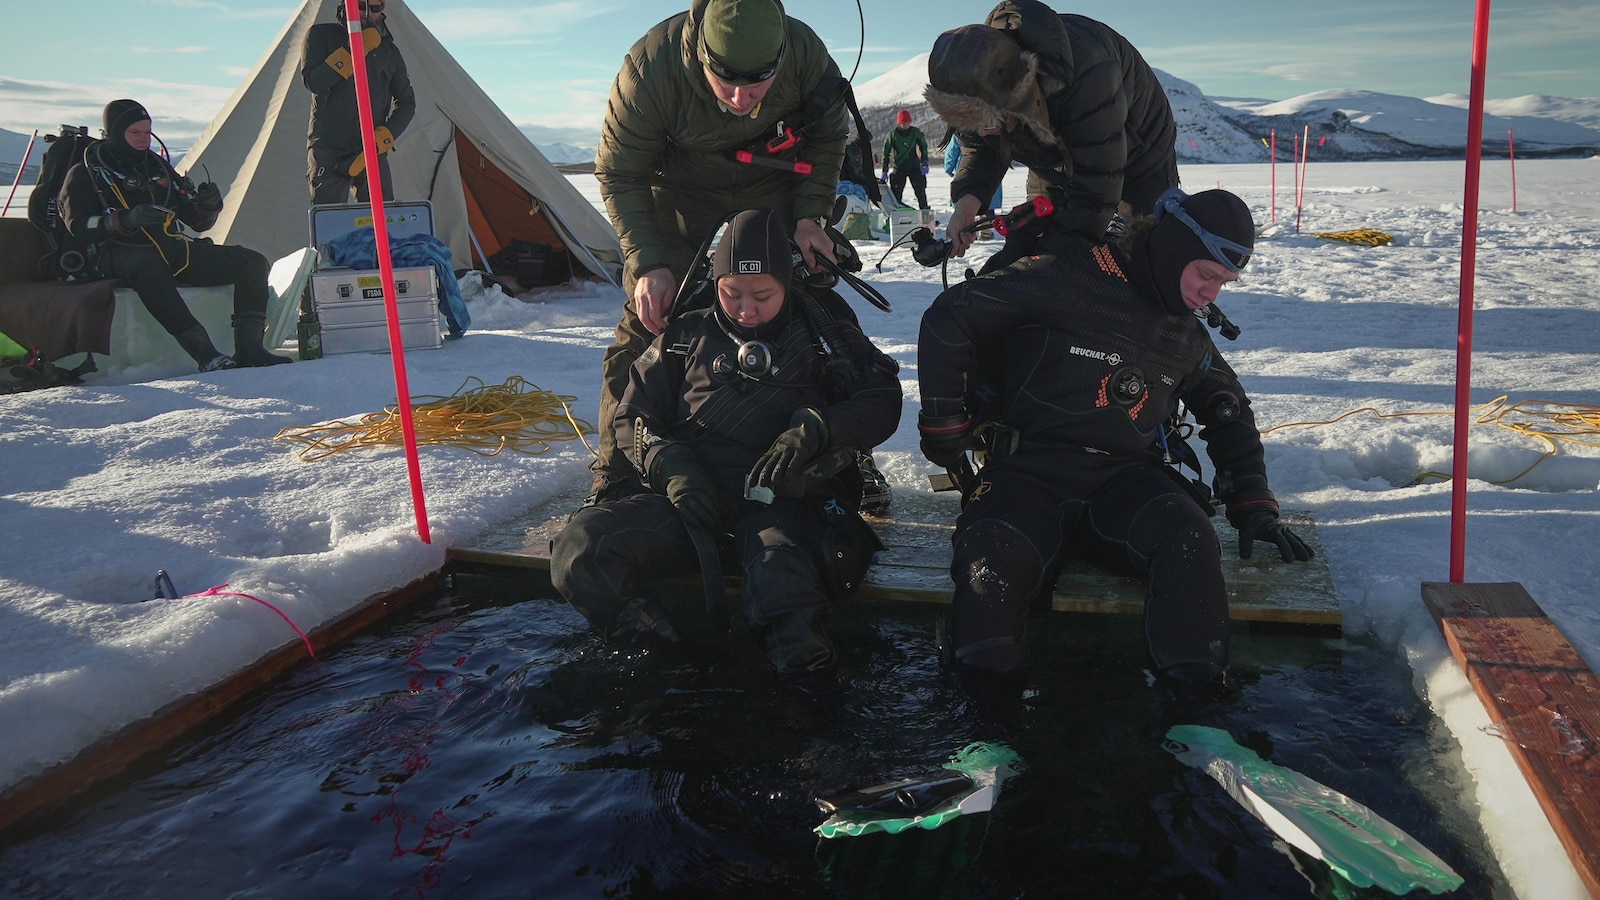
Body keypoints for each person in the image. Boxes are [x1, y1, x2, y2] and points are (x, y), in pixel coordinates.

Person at [915, 188, 1312, 690]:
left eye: (1223, 282)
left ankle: (1199, 719)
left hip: (1125, 481)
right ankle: (985, 736)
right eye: (1205, 274)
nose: (1211, 293)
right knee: (990, 562)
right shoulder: (1064, 275)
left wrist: (1253, 501)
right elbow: (949, 317)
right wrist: (943, 426)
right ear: (1172, 250)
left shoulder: (1185, 333)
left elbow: (1227, 407)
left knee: (1190, 539)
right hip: (1026, 473)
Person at [552, 208, 902, 691]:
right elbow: (632, 414)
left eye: (763, 295)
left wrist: (821, 427)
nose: (745, 309)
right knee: (580, 549)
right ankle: (664, 665)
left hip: (783, 501)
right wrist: (670, 467)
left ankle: (809, 712)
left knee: (784, 584)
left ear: (786, 283)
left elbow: (882, 397)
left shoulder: (825, 334)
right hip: (690, 499)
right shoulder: (683, 336)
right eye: (730, 293)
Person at [588, 0, 858, 508]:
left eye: (756, 84)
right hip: (680, 191)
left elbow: (827, 138)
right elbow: (620, 172)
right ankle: (618, 470)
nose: (739, 99)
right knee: (646, 324)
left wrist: (809, 218)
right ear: (699, 53)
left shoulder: (807, 56)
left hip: (773, 183)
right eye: (725, 81)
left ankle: (839, 451)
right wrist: (649, 263)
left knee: (805, 310)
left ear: (780, 61)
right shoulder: (650, 69)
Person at [924, 0, 1178, 261]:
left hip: (1138, 152)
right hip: (1047, 148)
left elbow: (1095, 187)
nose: (984, 133)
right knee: (1032, 238)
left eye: (989, 123)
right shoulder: (976, 82)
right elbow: (980, 147)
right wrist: (967, 203)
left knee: (1138, 250)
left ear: (1017, 96)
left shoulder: (1087, 74)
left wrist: (1050, 265)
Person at [58, 100, 293, 371]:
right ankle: (207, 355)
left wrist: (208, 205)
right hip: (118, 253)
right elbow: (78, 226)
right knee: (148, 266)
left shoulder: (157, 168)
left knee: (251, 262)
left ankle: (250, 349)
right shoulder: (86, 173)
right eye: (136, 132)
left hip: (171, 249)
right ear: (115, 132)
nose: (143, 139)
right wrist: (126, 219)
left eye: (147, 132)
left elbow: (196, 221)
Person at [301, 0, 415, 203]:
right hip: (329, 147)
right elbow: (315, 82)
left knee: (383, 219)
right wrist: (355, 49)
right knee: (330, 222)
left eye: (375, 8)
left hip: (371, 148)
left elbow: (407, 102)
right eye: (361, 5)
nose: (367, 13)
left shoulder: (389, 52)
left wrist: (384, 137)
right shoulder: (321, 35)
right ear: (347, 6)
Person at [880, 109, 930, 217]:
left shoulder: (915, 132)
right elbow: (886, 153)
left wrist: (924, 161)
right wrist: (884, 170)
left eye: (907, 122)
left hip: (914, 167)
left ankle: (926, 216)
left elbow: (923, 146)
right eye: (903, 123)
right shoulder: (892, 135)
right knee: (896, 196)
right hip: (899, 167)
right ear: (899, 123)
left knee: (921, 193)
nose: (906, 124)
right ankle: (894, 217)